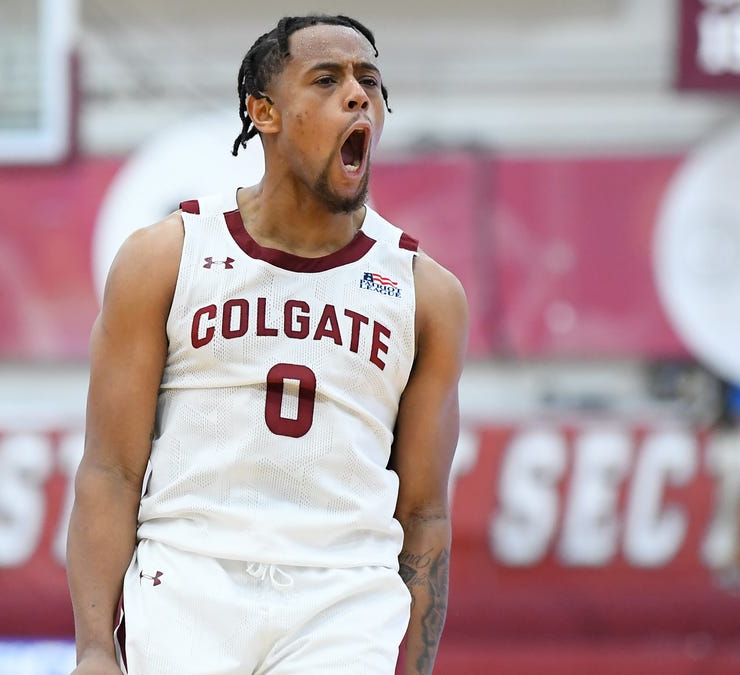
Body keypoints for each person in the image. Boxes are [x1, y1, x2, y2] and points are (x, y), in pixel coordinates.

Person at [66, 13, 468, 675]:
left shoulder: (426, 294)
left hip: (343, 604)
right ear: (264, 112)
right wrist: (92, 650)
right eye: (327, 79)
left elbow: (424, 512)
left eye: (369, 81)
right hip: (188, 587)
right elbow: (110, 470)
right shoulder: (165, 258)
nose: (357, 94)